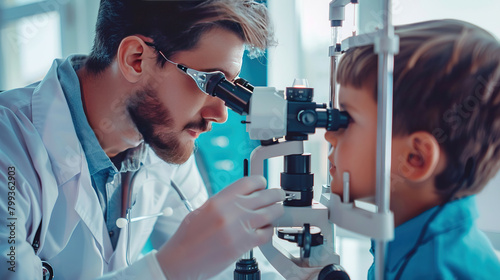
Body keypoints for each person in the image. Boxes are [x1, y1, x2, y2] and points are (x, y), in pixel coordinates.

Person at [0, 0, 286, 279]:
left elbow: (219, 266)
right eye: (211, 84)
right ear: (136, 59)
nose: (221, 113)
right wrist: (168, 268)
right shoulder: (9, 147)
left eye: (230, 88)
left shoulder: (162, 141)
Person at [325, 19, 500, 279]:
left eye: (347, 119)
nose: (329, 133)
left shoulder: (434, 270)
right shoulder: (411, 239)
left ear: (415, 158)